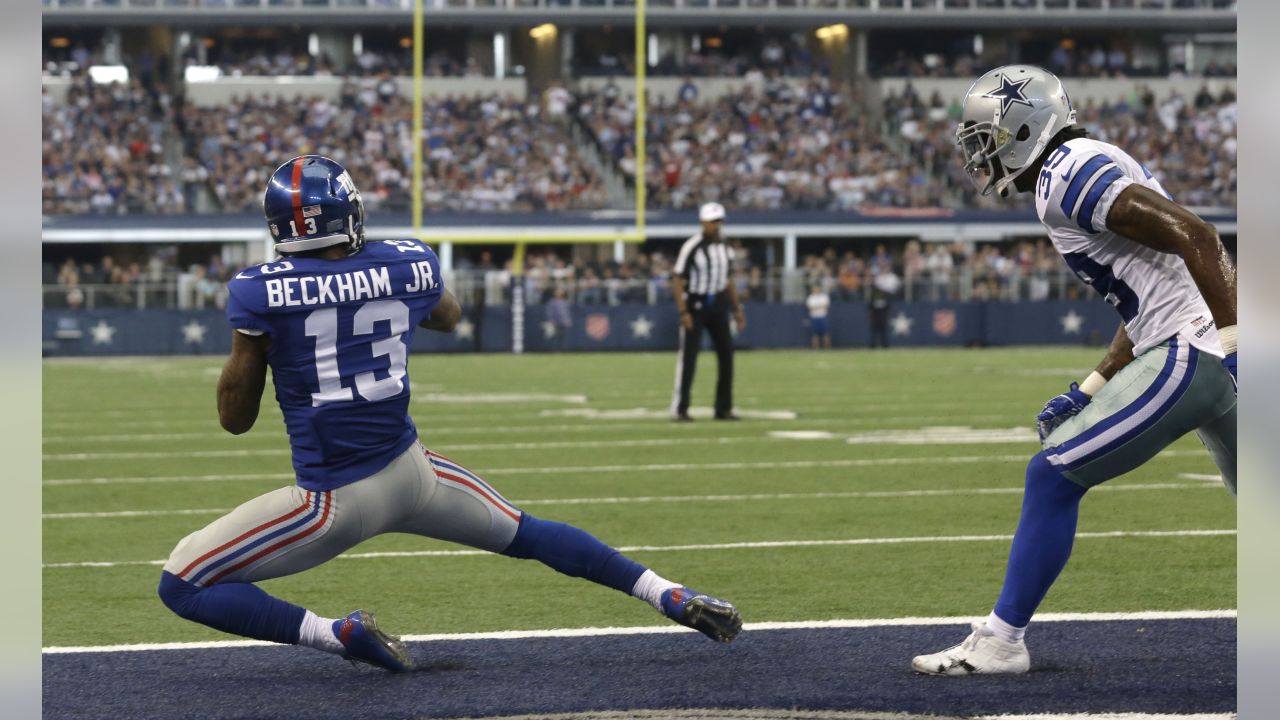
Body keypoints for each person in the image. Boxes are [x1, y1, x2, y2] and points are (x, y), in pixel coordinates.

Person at [156, 156, 742, 673]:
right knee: (528, 533)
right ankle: (665, 592)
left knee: (182, 581)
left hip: (331, 501)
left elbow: (235, 419)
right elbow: (449, 315)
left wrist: (251, 338)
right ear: (349, 215)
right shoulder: (406, 262)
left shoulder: (260, 290)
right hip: (416, 476)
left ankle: (337, 637)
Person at [911, 66, 1236, 675]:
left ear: (1025, 125)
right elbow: (1144, 299)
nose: (982, 153)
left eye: (989, 136)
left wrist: (1236, 344)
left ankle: (1002, 641)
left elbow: (1198, 236)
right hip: (1199, 348)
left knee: (1051, 477)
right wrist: (1094, 386)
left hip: (1193, 353)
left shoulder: (1065, 173)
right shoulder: (1083, 164)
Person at [670, 202, 746, 422]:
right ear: (703, 222)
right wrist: (683, 311)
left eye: (719, 220)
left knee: (726, 357)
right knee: (688, 358)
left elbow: (728, 280)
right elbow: (677, 279)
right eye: (713, 221)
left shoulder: (725, 248)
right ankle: (680, 408)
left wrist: (737, 308)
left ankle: (723, 408)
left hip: (719, 305)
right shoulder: (692, 246)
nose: (717, 225)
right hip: (695, 305)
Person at [805, 284, 831, 350]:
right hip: (814, 318)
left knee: (825, 334)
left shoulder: (824, 297)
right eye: (814, 289)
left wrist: (816, 306)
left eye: (817, 289)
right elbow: (810, 307)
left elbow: (826, 306)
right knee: (814, 334)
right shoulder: (811, 297)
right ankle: (815, 349)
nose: (816, 290)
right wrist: (820, 306)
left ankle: (827, 349)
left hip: (822, 317)